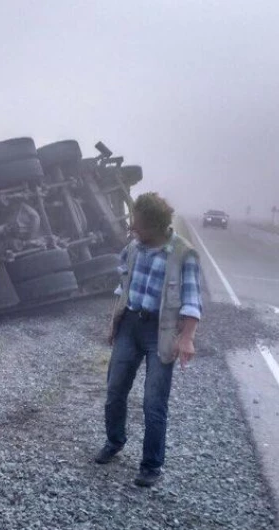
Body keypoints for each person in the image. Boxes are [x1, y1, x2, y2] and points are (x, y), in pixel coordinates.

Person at [94, 192, 203, 488]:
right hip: (130, 325)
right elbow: (123, 287)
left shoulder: (184, 255)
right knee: (115, 389)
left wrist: (188, 338)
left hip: (162, 332)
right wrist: (114, 321)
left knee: (154, 402)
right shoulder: (133, 248)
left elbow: (192, 302)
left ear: (156, 226)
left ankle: (151, 465)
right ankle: (114, 442)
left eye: (137, 226)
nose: (132, 231)